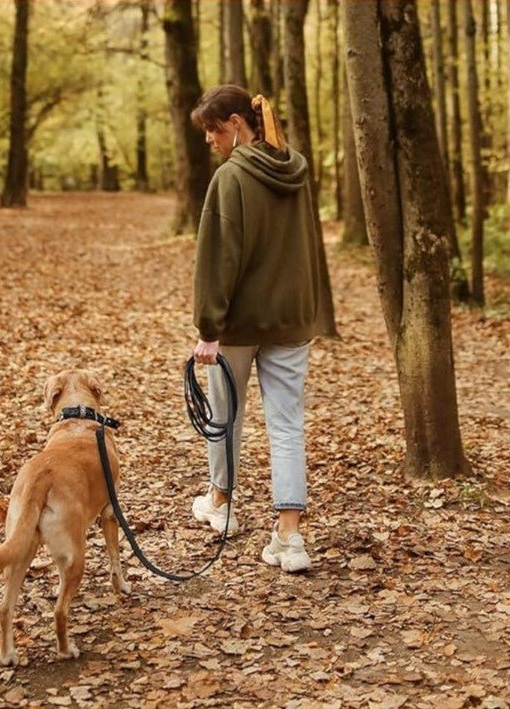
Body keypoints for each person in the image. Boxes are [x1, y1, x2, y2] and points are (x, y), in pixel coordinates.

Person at [189, 85, 320, 573]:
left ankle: (221, 507)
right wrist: (311, 310)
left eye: (213, 130)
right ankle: (290, 538)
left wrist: (208, 328)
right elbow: (309, 249)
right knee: (287, 425)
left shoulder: (231, 179)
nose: (210, 141)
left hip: (239, 324)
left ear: (237, 125)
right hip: (290, 319)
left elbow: (216, 260)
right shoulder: (297, 170)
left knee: (226, 415)